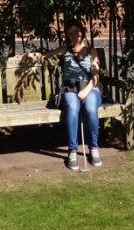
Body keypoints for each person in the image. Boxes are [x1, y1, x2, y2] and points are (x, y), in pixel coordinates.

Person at [26, 20, 103, 170]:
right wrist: (28, 55)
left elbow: (96, 75)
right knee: (73, 108)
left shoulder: (92, 51)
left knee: (90, 108)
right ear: (67, 36)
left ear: (82, 33)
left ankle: (93, 148)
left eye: (77, 32)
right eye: (70, 33)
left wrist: (86, 90)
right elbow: (45, 55)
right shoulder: (65, 50)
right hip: (70, 88)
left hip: (90, 87)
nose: (74, 35)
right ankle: (72, 150)